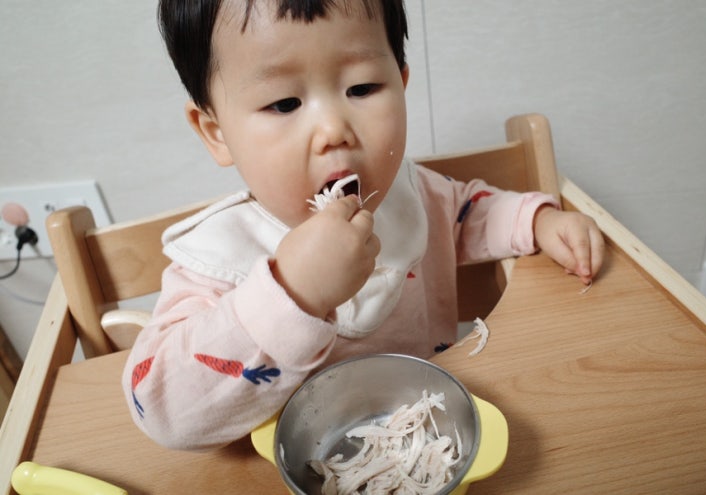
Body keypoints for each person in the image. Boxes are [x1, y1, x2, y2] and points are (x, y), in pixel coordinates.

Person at [123, 0, 604, 451]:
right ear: (216, 133)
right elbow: (159, 405)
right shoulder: (217, 259)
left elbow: (465, 214)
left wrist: (537, 220)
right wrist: (292, 293)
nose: (334, 130)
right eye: (285, 103)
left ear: (401, 82)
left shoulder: (410, 197)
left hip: (428, 436)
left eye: (362, 88)